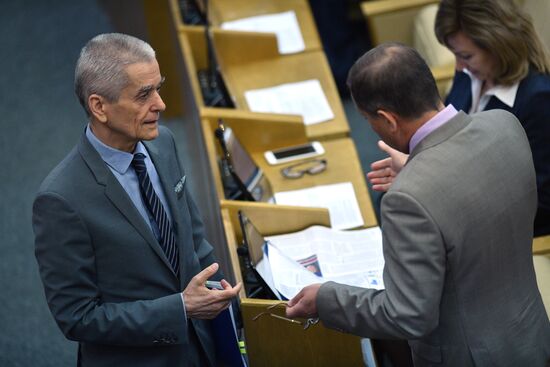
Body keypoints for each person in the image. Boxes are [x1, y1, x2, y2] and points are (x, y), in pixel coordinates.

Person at [286, 43, 550, 367]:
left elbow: (408, 316)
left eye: (370, 121)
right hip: (532, 338)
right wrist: (418, 165)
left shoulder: (406, 199)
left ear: (387, 119)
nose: (371, 128)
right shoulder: (506, 125)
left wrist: (325, 299)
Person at [32, 33, 241, 366]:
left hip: (204, 348)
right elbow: (77, 317)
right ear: (99, 106)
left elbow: (193, 239)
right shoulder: (60, 199)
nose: (160, 104)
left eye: (158, 88)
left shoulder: (163, 142)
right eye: (144, 94)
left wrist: (220, 299)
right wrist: (180, 308)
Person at [369, 0, 550, 236]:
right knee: (388, 201)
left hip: (499, 228)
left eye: (466, 55)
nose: (459, 65)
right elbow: (447, 141)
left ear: (499, 47)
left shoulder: (539, 101)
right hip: (457, 194)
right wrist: (416, 165)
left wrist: (430, 184)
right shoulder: (471, 73)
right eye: (455, 54)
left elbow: (540, 203)